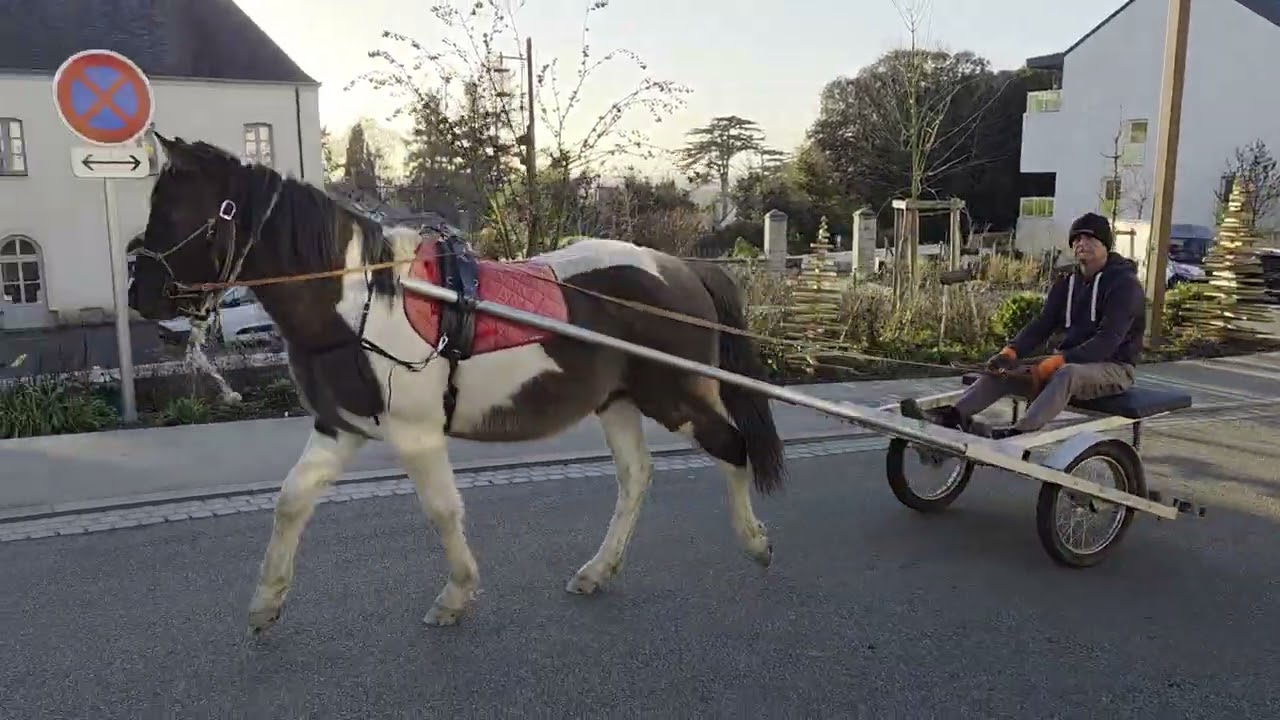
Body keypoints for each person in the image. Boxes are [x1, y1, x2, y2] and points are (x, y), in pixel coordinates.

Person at [904, 212, 1147, 439]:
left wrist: (1060, 361)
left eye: (1091, 238)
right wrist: (1011, 351)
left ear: (1106, 245)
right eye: (1077, 239)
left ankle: (1018, 433)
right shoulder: (1068, 282)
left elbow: (1107, 340)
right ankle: (952, 418)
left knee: (1067, 373)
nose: (1082, 243)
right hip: (1068, 360)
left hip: (1114, 367)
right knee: (1002, 370)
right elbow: (1042, 324)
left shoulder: (1124, 285)